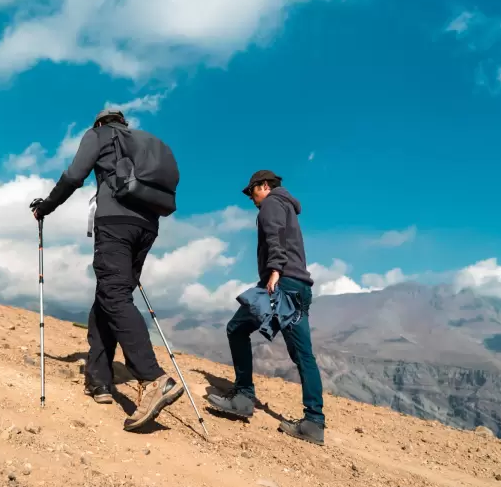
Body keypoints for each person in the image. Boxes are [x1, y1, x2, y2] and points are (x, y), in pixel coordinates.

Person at [30, 108, 184, 432]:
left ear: (100, 123)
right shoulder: (143, 142)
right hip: (148, 225)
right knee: (109, 297)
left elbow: (74, 176)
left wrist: (45, 206)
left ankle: (153, 377)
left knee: (114, 295)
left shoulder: (98, 135)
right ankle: (99, 380)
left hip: (115, 222)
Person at [206, 170, 326, 445]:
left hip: (281, 285)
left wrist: (274, 271)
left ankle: (244, 397)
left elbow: (274, 236)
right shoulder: (289, 207)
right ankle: (314, 422)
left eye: (252, 192)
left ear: (264, 186)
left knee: (236, 328)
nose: (251, 198)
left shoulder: (271, 204)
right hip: (299, 288)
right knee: (304, 355)